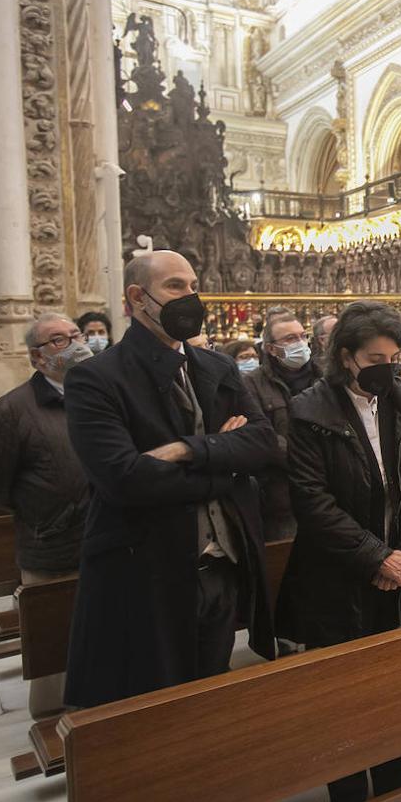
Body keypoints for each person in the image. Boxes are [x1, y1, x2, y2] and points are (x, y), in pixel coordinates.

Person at [63, 250, 276, 709]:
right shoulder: (96, 379)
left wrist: (187, 450)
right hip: (146, 569)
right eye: (175, 287)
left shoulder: (216, 368)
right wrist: (226, 468)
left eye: (194, 286)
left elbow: (262, 444)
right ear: (138, 298)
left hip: (221, 565)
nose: (191, 297)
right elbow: (126, 479)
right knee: (151, 707)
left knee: (209, 695)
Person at [275, 301, 401, 802]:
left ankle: (395, 788)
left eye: (395, 356)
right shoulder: (310, 409)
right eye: (375, 357)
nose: (387, 367)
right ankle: (349, 793)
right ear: (346, 356)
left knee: (399, 690)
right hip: (339, 578)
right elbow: (312, 500)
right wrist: (376, 557)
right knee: (344, 699)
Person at [0, 313, 91, 719]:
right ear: (36, 358)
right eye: (58, 340)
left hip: (108, 539)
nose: (73, 344)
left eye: (75, 335)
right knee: (56, 651)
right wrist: (42, 510)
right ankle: (58, 725)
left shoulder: (101, 395)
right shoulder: (10, 411)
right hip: (53, 547)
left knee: (106, 641)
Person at [242, 310, 321, 540]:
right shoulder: (252, 383)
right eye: (289, 339)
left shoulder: (324, 377)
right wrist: (304, 457)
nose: (299, 343)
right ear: (270, 348)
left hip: (330, 490)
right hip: (282, 495)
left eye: (302, 336)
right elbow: (260, 433)